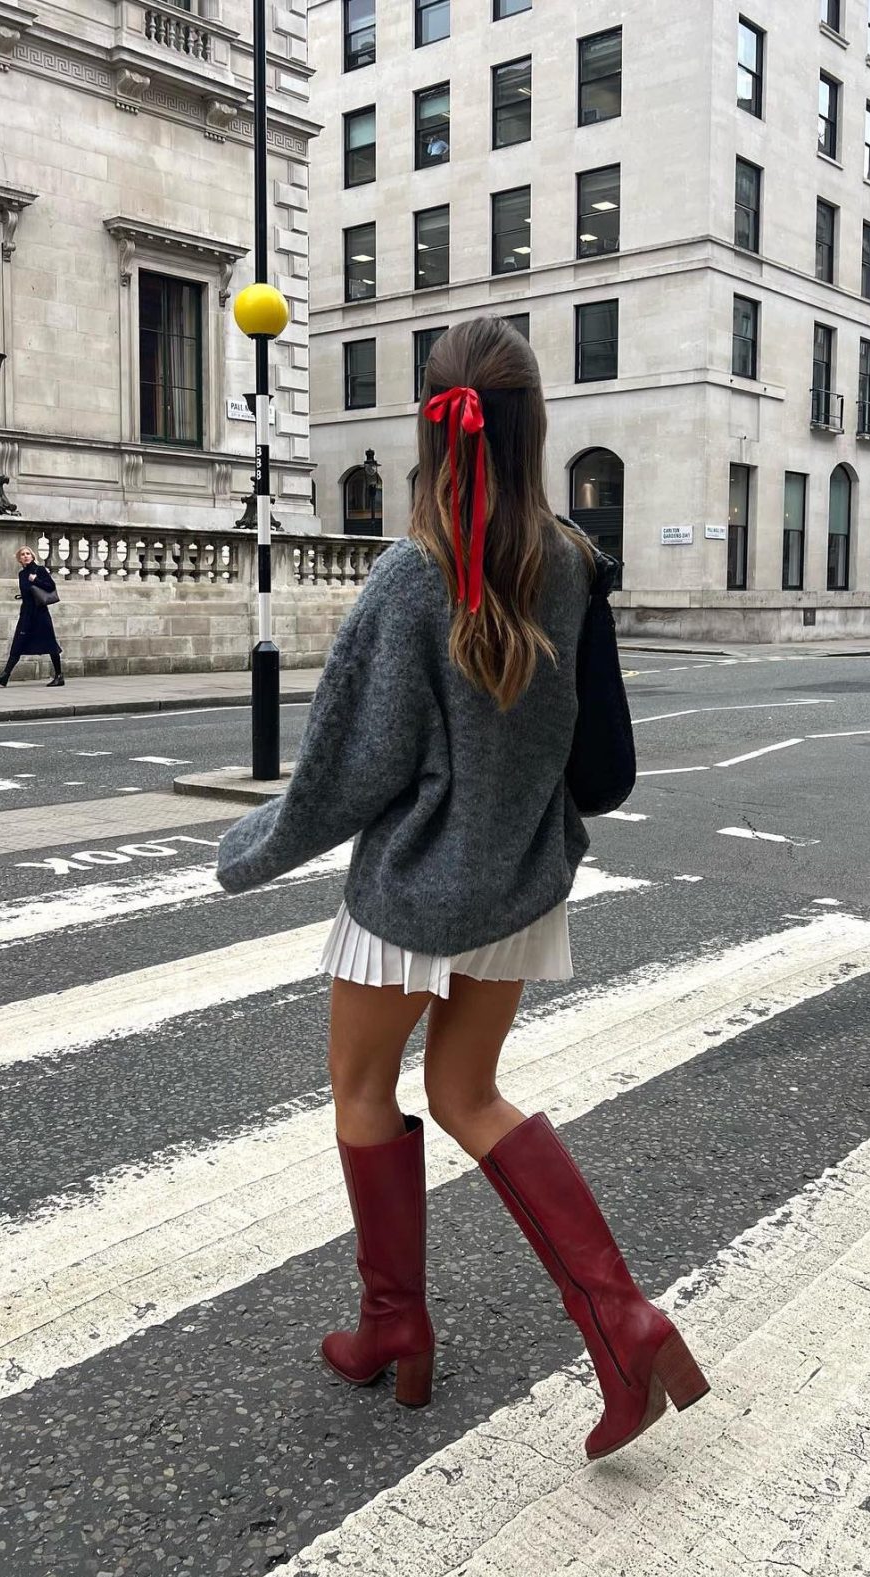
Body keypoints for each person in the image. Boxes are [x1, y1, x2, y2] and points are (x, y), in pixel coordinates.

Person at [216, 317, 708, 1460]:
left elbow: (353, 768)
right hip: (522, 889)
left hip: (410, 900)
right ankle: (622, 1320)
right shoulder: (578, 566)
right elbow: (609, 774)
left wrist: (254, 848)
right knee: (470, 1093)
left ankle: (396, 1323)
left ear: (430, 431)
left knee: (359, 1090)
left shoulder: (407, 577)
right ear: (535, 426)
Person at [0, 547, 65, 687]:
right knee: (18, 642)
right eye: (22, 554)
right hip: (26, 613)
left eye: (28, 554)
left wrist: (36, 580)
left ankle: (59, 676)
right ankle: (5, 675)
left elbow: (51, 586)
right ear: (19, 559)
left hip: (40, 613)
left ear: (32, 556)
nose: (25, 556)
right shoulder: (21, 574)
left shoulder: (39, 570)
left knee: (50, 643)